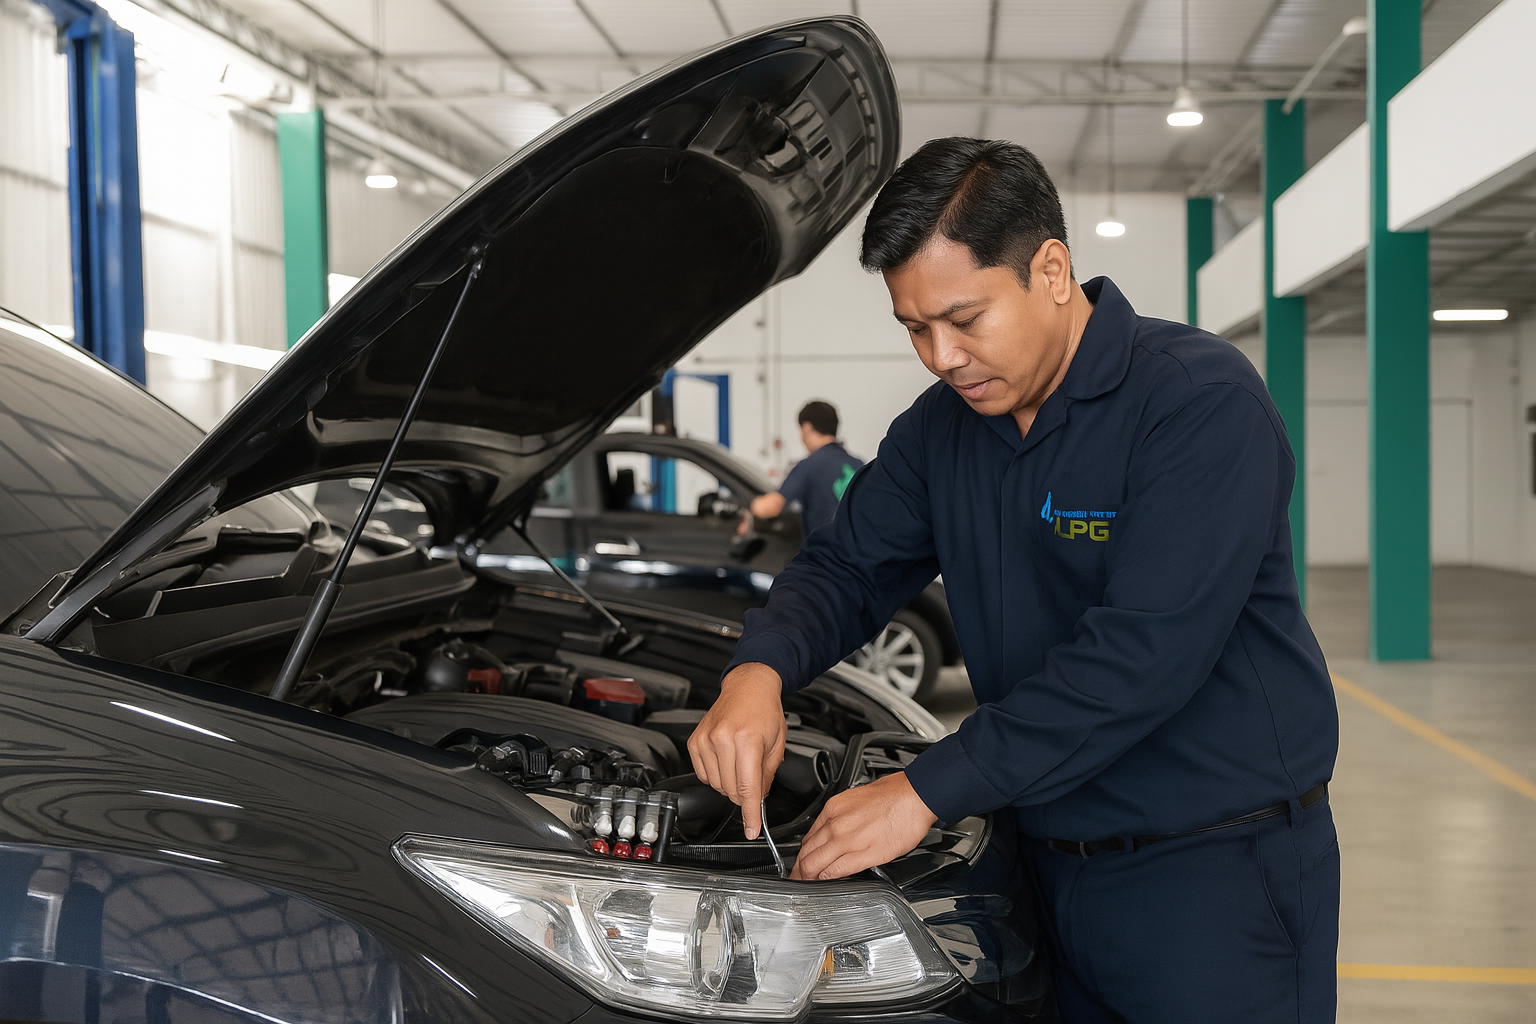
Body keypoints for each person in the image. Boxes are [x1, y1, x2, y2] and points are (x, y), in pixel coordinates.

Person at [688, 137, 1340, 1023]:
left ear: (1053, 269)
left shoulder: (1197, 402)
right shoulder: (941, 430)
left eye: (964, 318)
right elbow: (849, 564)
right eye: (915, 329)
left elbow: (1142, 654)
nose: (942, 357)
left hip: (1214, 874)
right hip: (1043, 861)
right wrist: (758, 670)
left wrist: (922, 791)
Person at [743, 401, 862, 536]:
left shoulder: (809, 466)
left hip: (826, 552)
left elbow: (772, 506)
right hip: (859, 550)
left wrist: (748, 507)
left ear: (806, 428)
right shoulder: (858, 465)